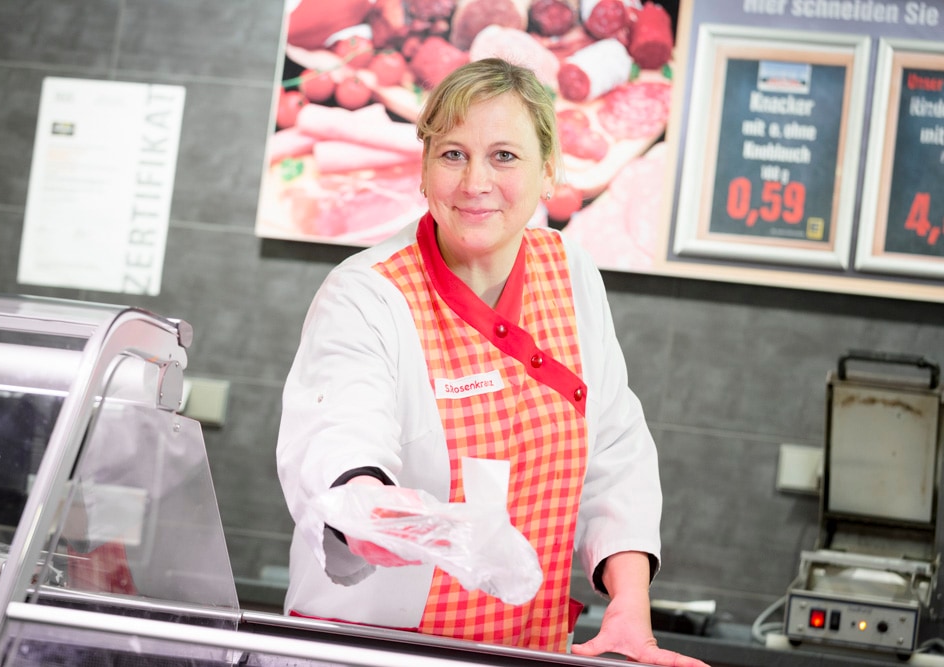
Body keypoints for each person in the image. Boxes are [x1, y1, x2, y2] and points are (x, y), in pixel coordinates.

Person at [277, 57, 709, 667]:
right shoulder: (367, 292)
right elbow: (337, 439)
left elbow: (614, 447)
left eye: (504, 156)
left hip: (525, 650)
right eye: (453, 154)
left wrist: (629, 604)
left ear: (549, 172)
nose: (475, 182)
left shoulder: (571, 270)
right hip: (377, 651)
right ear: (424, 172)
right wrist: (373, 510)